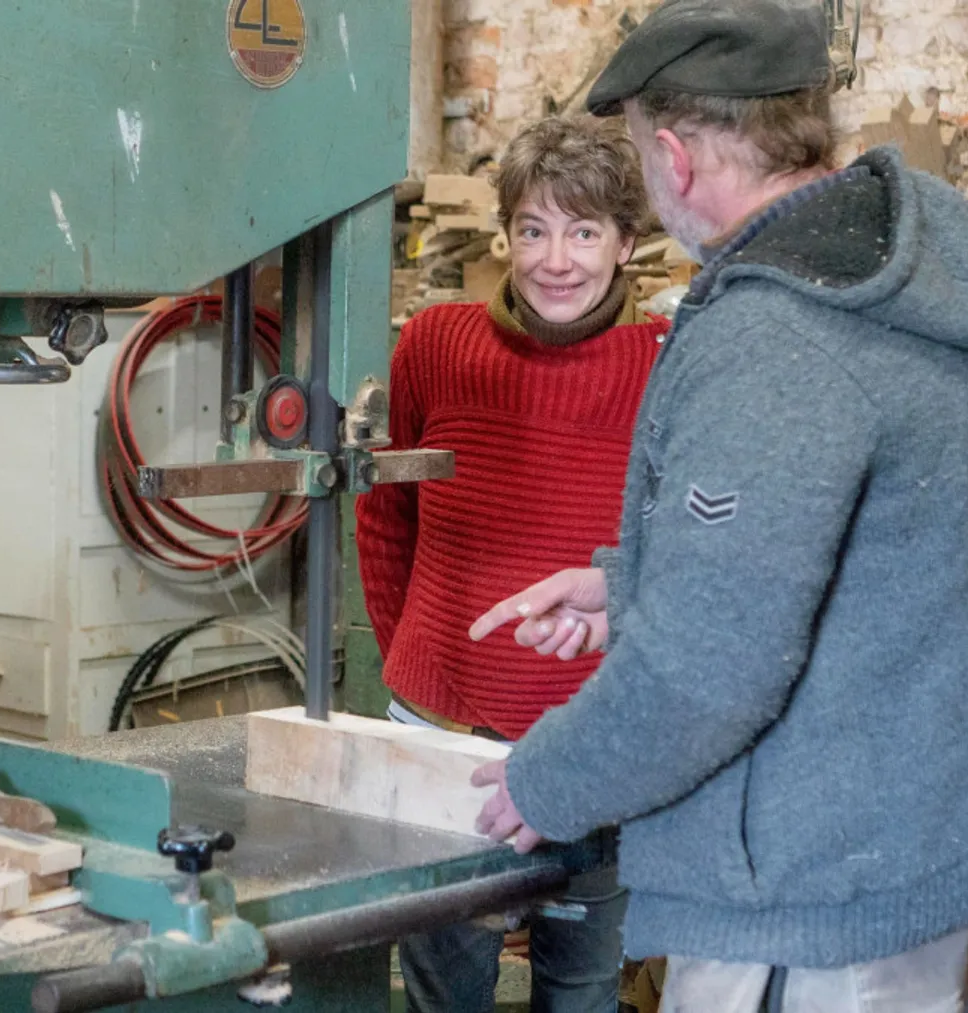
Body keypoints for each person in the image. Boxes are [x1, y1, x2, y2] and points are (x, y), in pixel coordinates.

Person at [464, 1, 968, 1011]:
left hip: (808, 913)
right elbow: (863, 549)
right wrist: (627, 584)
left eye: (643, 157)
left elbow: (702, 672)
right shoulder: (905, 280)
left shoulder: (777, 330)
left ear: (677, 157)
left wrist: (539, 782)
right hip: (907, 865)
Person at [355, 115, 667, 1013]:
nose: (555, 259)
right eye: (533, 229)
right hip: (441, 739)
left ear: (625, 243)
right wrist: (417, 668)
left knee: (580, 986)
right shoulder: (437, 346)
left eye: (583, 231)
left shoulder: (663, 368)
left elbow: (676, 566)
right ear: (506, 236)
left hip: (593, 745)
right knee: (443, 990)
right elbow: (384, 519)